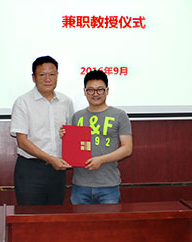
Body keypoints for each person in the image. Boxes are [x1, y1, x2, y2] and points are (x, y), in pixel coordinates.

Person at [10, 55, 75, 205]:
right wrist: (50, 159)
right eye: (42, 75)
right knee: (29, 215)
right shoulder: (23, 102)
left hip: (58, 170)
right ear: (34, 77)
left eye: (52, 74)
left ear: (57, 76)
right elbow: (22, 142)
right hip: (31, 169)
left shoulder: (66, 102)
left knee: (55, 215)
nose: (48, 79)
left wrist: (67, 136)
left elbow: (71, 134)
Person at [68, 70, 133, 204]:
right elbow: (73, 149)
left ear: (107, 91)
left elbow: (127, 149)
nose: (95, 94)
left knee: (109, 219)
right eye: (91, 90)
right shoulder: (77, 116)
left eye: (100, 90)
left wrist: (101, 160)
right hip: (80, 185)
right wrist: (64, 136)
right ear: (85, 92)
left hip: (108, 185)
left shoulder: (119, 115)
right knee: (79, 219)